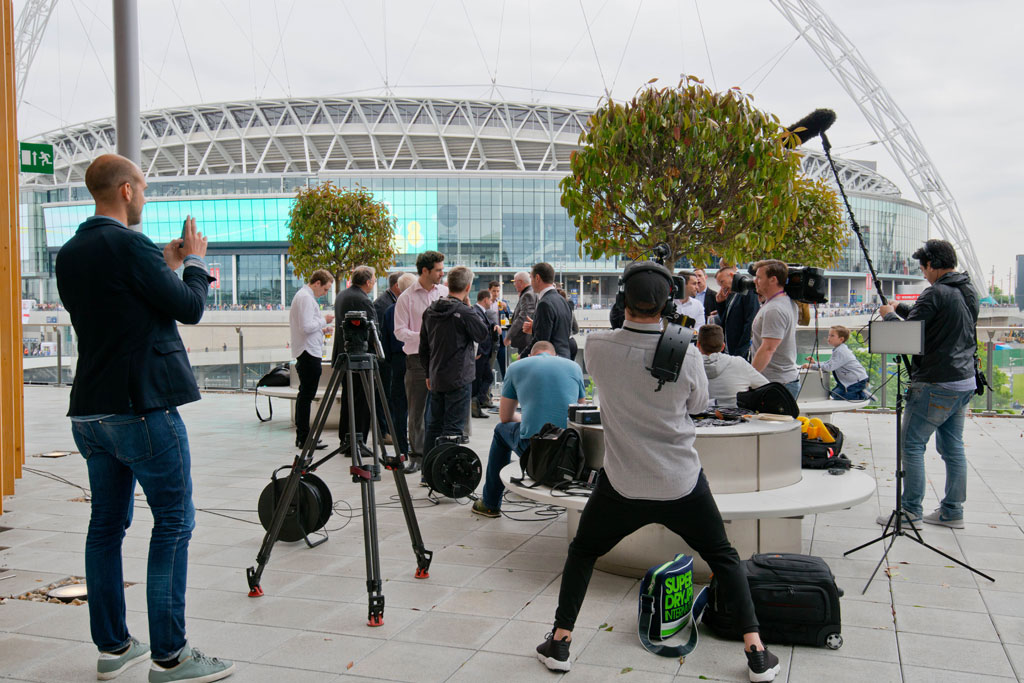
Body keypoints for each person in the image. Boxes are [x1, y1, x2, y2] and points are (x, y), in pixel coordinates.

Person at [535, 261, 779, 681]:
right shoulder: (686, 351)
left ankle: (560, 641)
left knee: (583, 551)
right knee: (723, 557)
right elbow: (699, 407)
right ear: (668, 302)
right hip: (681, 482)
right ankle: (756, 651)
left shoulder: (597, 346)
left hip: (622, 483)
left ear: (621, 300)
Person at [54, 154, 234, 682]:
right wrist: (194, 262)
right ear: (128, 190)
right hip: (142, 407)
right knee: (174, 521)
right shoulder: (130, 245)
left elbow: (125, 301)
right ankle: (171, 656)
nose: (146, 197)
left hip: (90, 410)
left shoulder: (71, 253)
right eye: (145, 188)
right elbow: (188, 307)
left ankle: (113, 647)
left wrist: (166, 259)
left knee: (105, 526)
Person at [876, 239, 979, 530]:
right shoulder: (967, 290)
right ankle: (952, 511)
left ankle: (910, 513)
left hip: (936, 383)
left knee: (912, 445)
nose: (923, 273)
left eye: (923, 268)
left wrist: (889, 315)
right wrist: (903, 310)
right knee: (953, 447)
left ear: (932, 265)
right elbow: (933, 325)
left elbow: (908, 338)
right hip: (964, 380)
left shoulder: (933, 293)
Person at [472, 341, 585, 518]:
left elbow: (506, 417)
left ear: (531, 355)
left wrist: (526, 419)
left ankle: (490, 503)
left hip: (535, 447)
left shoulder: (516, 367)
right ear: (555, 355)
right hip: (567, 449)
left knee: (501, 430)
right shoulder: (574, 367)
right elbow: (580, 413)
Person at [419, 266, 488, 456]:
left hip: (437, 375)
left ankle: (428, 471)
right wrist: (468, 307)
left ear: (448, 285)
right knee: (453, 428)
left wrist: (428, 372)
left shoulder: (430, 311)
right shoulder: (464, 312)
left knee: (434, 425)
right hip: (458, 377)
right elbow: (482, 334)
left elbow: (423, 347)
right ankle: (445, 474)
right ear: (468, 287)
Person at [394, 251, 447, 469]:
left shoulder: (444, 292)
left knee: (442, 406)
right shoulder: (406, 297)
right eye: (438, 270)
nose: (442, 274)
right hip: (416, 360)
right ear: (425, 271)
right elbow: (399, 331)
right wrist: (426, 336)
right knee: (417, 409)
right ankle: (416, 456)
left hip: (443, 358)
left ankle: (440, 453)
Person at [289, 269, 335, 449]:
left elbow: (306, 327)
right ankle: (304, 437)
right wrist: (324, 321)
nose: (325, 293)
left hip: (307, 350)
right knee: (307, 395)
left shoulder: (304, 297)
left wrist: (322, 330)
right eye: (325, 289)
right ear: (317, 283)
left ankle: (304, 436)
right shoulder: (306, 298)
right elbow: (306, 327)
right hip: (308, 352)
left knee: (306, 395)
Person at [333, 265, 378, 449]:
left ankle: (346, 439)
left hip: (343, 355)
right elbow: (373, 331)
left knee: (348, 398)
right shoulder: (363, 300)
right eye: (374, 279)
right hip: (359, 358)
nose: (374, 282)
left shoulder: (342, 295)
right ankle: (357, 442)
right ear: (368, 282)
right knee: (362, 400)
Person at [750, 259, 799, 397]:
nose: (755, 281)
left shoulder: (775, 309)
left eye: (759, 277)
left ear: (773, 280)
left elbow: (768, 348)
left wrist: (750, 378)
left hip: (777, 384)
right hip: (779, 382)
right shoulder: (783, 302)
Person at [382, 273, 417, 455]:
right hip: (415, 359)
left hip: (396, 361)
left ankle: (401, 447)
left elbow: (384, 341)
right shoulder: (417, 308)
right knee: (417, 406)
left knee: (399, 406)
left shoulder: (390, 311)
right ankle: (418, 446)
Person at [698, 324, 769, 408]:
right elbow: (767, 389)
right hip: (736, 417)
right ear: (723, 346)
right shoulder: (739, 363)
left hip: (696, 417)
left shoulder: (687, 365)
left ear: (698, 345)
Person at [373, 272, 404, 442]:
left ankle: (390, 430)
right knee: (384, 395)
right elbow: (381, 333)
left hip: (390, 356)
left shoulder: (391, 301)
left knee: (390, 395)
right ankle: (384, 432)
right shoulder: (383, 304)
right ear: (397, 286)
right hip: (385, 358)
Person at [801, 325, 869, 401]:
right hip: (850, 381)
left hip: (856, 381)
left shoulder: (841, 351)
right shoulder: (838, 349)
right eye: (829, 335)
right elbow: (829, 363)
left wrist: (811, 366)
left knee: (836, 395)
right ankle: (858, 392)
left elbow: (829, 367)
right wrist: (815, 363)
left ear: (841, 339)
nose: (829, 338)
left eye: (832, 336)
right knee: (833, 392)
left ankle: (862, 396)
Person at [523, 262, 573, 358]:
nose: (530, 282)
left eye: (531, 278)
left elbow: (541, 341)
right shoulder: (562, 300)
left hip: (550, 361)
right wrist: (535, 328)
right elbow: (559, 331)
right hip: (564, 357)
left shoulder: (544, 304)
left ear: (537, 278)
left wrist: (522, 356)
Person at [713, 265, 760, 359]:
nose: (722, 287)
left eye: (722, 282)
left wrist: (741, 350)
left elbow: (750, 321)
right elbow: (726, 320)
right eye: (720, 285)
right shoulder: (732, 293)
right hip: (729, 349)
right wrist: (720, 304)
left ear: (731, 275)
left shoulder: (747, 290)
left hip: (740, 351)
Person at [472, 290, 499, 417]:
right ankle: (476, 403)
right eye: (490, 299)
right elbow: (478, 331)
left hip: (484, 352)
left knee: (486, 378)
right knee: (480, 380)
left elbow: (486, 325)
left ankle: (477, 402)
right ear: (485, 299)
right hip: (481, 352)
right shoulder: (476, 311)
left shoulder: (481, 312)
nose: (491, 301)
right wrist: (479, 351)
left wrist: (494, 325)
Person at [506, 270, 538, 356]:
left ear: (520, 282)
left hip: (525, 339)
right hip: (526, 339)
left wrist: (509, 336)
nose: (514, 284)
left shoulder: (527, 295)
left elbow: (523, 317)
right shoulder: (531, 292)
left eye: (515, 282)